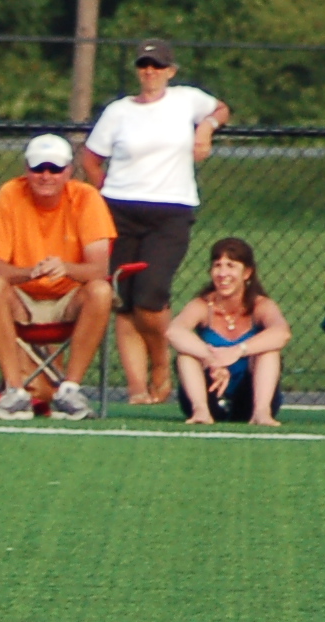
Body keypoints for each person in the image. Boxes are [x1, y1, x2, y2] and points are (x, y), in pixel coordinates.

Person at [82, 37, 229, 406]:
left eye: (158, 66)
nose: (150, 72)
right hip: (120, 210)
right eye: (144, 66)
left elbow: (221, 108)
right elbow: (91, 159)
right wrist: (106, 193)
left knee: (150, 296)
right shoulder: (118, 111)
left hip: (170, 210)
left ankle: (161, 362)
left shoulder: (186, 100)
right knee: (124, 301)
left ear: (170, 71)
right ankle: (137, 388)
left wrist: (206, 127)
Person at [0, 133, 117, 419]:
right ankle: (15, 391)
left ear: (69, 171)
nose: (46, 176)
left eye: (55, 169)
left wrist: (66, 268)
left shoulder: (86, 198)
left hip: (69, 298)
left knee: (101, 290)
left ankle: (70, 390)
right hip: (22, 298)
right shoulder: (9, 194)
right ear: (26, 169)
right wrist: (30, 272)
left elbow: (99, 269)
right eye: (38, 168)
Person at [165, 238, 289, 426]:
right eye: (217, 266)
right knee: (186, 356)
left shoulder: (261, 305)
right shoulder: (202, 305)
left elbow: (281, 333)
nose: (223, 274)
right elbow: (174, 331)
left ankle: (262, 413)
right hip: (210, 392)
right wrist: (211, 359)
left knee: (270, 352)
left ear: (247, 273)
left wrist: (237, 351)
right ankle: (201, 412)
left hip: (247, 398)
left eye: (231, 266)